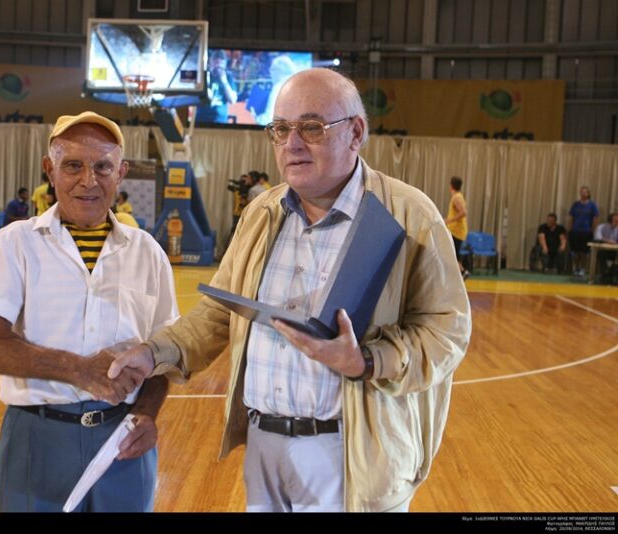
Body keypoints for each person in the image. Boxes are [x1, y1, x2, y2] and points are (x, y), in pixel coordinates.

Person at [109, 69, 471, 512]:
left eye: (311, 127)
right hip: (264, 447)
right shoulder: (261, 211)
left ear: (356, 133)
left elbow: (446, 332)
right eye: (281, 129)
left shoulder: (410, 215)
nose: (292, 144)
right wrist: (155, 353)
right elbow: (220, 311)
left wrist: (366, 360)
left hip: (351, 450)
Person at [0, 111, 178, 512]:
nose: (88, 180)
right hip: (37, 438)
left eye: (103, 167)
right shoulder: (14, 243)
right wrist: (78, 369)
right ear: (50, 170)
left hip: (124, 438)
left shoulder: (148, 252)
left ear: (121, 173)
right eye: (73, 166)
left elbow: (165, 355)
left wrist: (147, 414)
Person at [197, 50, 238, 124]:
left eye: (221, 64)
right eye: (216, 63)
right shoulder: (204, 76)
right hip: (202, 119)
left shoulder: (228, 77)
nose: (218, 67)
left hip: (220, 120)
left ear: (224, 65)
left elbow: (232, 100)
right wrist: (206, 85)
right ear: (210, 63)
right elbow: (201, 98)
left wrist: (224, 82)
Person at [568, 186, 599, 276]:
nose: (583, 193)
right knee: (576, 251)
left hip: (586, 231)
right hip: (575, 231)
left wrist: (593, 230)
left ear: (588, 194)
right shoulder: (575, 204)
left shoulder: (592, 205)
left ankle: (583, 268)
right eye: (582, 192)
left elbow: (596, 218)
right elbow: (571, 217)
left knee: (584, 252)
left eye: (585, 192)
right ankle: (576, 268)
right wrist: (570, 229)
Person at [445, 176, 469, 279]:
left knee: (452, 253)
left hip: (456, 231)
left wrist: (449, 220)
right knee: (452, 253)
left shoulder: (456, 198)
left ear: (451, 186)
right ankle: (461, 272)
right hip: (457, 230)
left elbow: (463, 212)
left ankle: (462, 272)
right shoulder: (459, 196)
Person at [593, 212, 618, 276]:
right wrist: (609, 241)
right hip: (603, 249)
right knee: (601, 254)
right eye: (615, 220)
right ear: (610, 220)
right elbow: (598, 238)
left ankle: (611, 274)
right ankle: (604, 273)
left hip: (615, 250)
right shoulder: (601, 227)